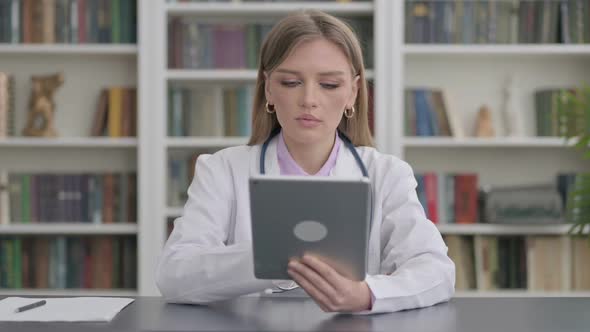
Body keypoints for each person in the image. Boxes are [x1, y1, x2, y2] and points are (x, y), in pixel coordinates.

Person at [156, 9, 455, 314]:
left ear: (353, 92)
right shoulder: (221, 169)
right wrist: (268, 258)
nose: (309, 99)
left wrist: (367, 294)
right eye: (290, 82)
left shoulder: (387, 174)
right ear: (268, 88)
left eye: (329, 85)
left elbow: (436, 271)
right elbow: (174, 274)